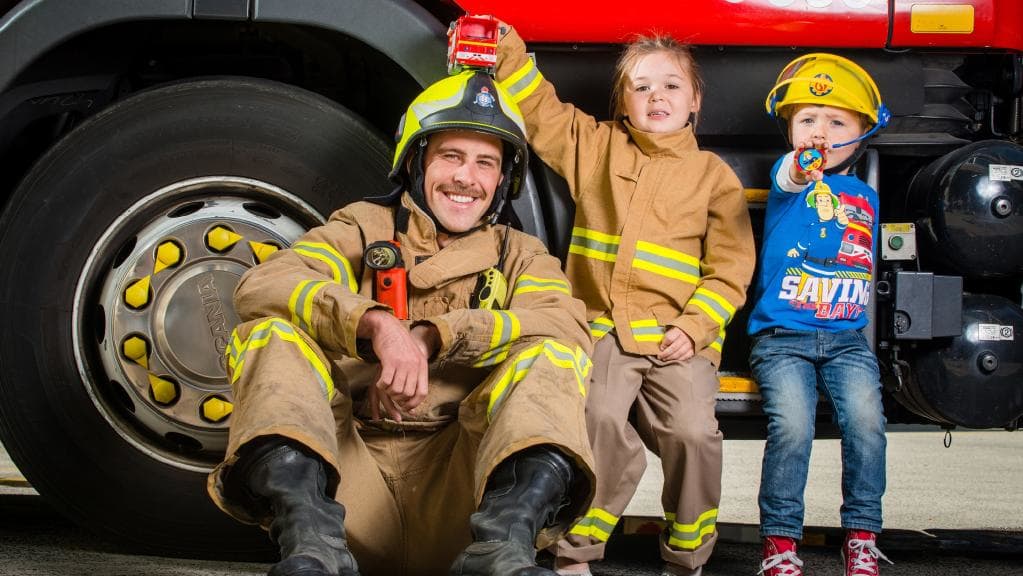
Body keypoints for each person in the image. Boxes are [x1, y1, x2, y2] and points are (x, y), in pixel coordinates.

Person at [207, 70, 597, 576]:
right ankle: (310, 546)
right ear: (415, 161)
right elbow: (264, 286)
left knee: (553, 356)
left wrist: (439, 335)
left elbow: (565, 325)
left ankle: (504, 553)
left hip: (466, 498)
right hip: (348, 489)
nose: (466, 177)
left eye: (486, 163)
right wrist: (374, 325)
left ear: (503, 180)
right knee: (268, 335)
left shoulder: (520, 254)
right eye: (451, 156)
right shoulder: (361, 226)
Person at [495, 24, 756, 576]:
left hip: (678, 336)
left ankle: (686, 556)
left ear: (695, 102)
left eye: (671, 86)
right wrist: (503, 48)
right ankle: (574, 551)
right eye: (640, 87)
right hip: (603, 329)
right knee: (596, 415)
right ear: (622, 103)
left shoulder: (714, 178)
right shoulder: (596, 147)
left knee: (692, 431)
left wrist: (697, 327)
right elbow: (541, 112)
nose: (656, 97)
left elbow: (731, 269)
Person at [747, 53, 894, 576]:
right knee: (793, 425)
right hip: (783, 337)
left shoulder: (865, 195)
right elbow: (791, 174)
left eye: (836, 123)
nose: (820, 132)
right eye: (807, 120)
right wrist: (802, 161)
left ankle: (861, 533)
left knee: (867, 424)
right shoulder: (791, 179)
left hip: (846, 340)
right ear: (790, 130)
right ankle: (780, 542)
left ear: (861, 134)